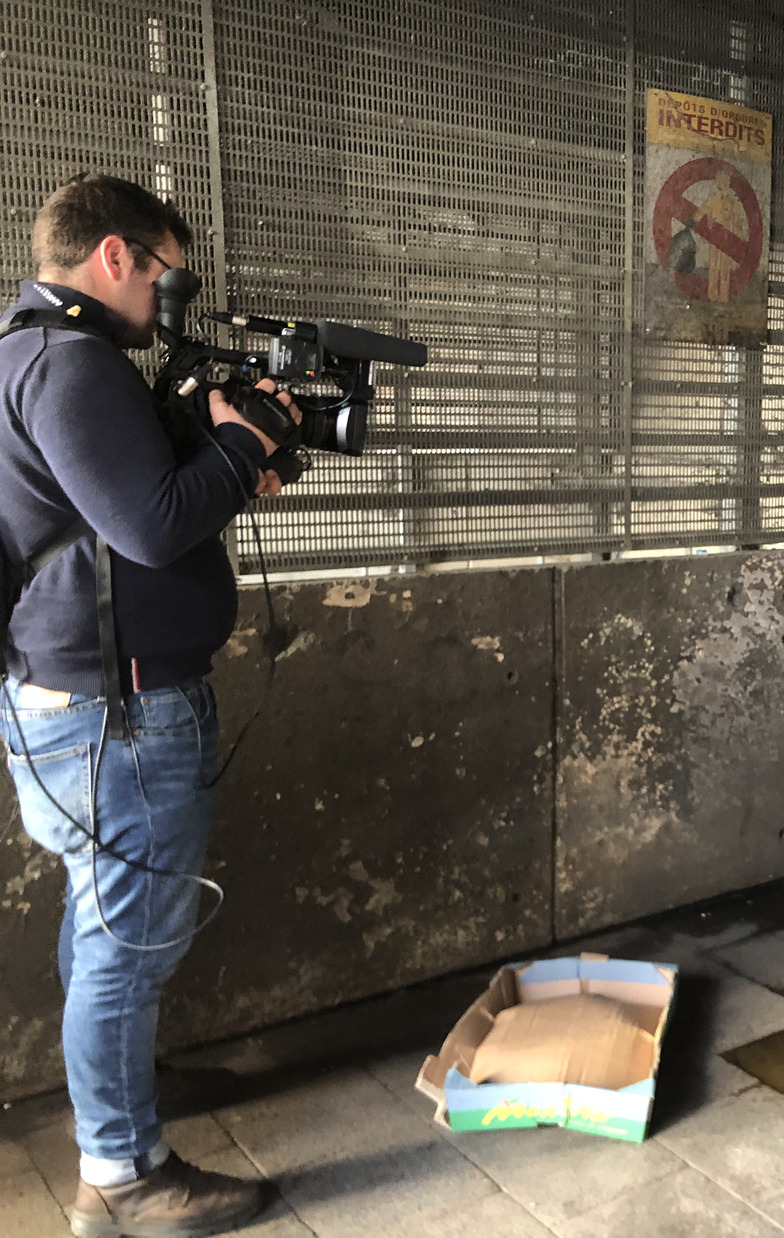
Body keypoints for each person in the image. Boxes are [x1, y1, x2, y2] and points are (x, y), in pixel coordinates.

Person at [0, 174, 292, 1236]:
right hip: (113, 720)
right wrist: (243, 444)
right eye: (170, 274)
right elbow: (153, 524)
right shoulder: (70, 365)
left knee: (105, 929)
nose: (174, 300)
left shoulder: (30, 354)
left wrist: (210, 445)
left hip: (78, 706)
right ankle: (123, 1176)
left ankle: (115, 1110)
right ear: (116, 257)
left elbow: (104, 514)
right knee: (125, 948)